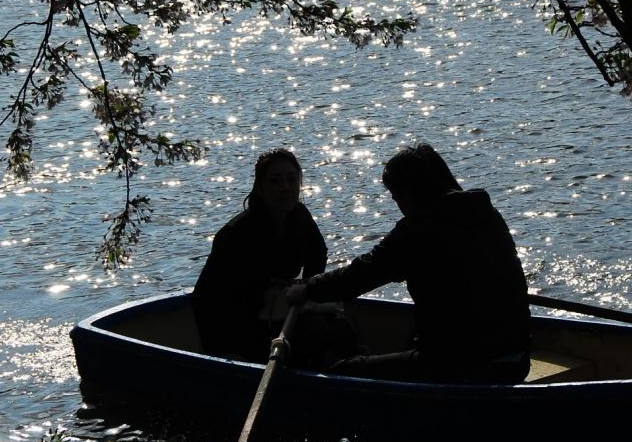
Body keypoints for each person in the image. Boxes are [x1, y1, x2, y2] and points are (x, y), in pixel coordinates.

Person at [287, 144, 530, 383]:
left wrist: (309, 288)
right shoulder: (486, 213)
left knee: (340, 371)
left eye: (396, 197)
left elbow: (361, 274)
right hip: (516, 359)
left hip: (460, 365)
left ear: (411, 192)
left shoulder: (418, 231)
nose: (399, 206)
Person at [192, 147, 328, 361]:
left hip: (276, 310)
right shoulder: (237, 233)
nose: (285, 187)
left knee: (335, 328)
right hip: (236, 322)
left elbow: (317, 255)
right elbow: (209, 299)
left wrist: (307, 290)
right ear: (260, 188)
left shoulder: (300, 216)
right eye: (275, 181)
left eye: (292, 180)